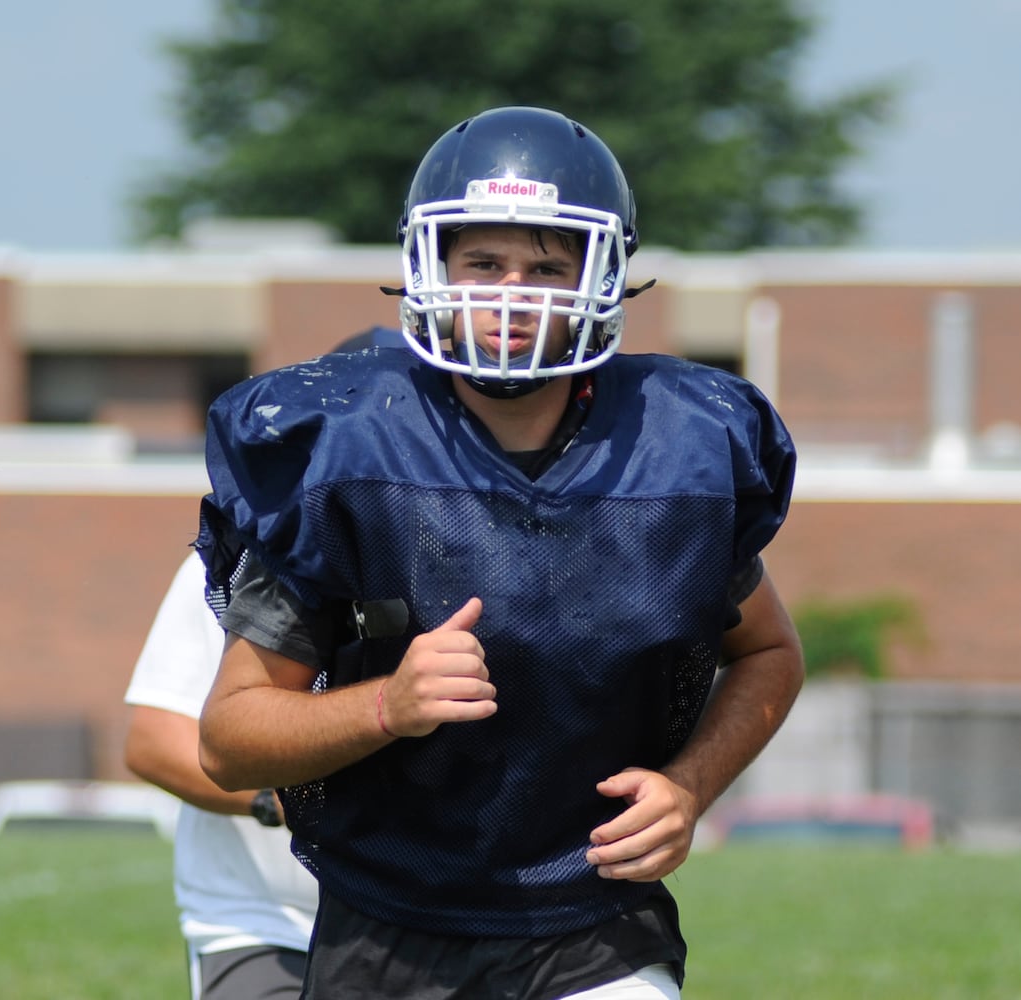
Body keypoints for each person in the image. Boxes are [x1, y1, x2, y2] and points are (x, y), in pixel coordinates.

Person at [195, 105, 805, 999]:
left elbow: (769, 651)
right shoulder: (349, 448)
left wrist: (690, 786)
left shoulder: (676, 449)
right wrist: (386, 706)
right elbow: (228, 739)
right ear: (429, 267)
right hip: (387, 920)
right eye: (483, 263)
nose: (512, 293)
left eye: (547, 267)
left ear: (602, 276)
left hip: (593, 916)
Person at [124, 551, 318, 1000]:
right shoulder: (223, 562)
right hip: (263, 921)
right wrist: (274, 801)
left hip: (415, 919)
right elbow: (151, 739)